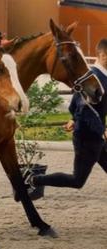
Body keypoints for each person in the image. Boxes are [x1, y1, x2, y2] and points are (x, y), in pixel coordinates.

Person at [25, 38, 107, 197]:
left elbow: (76, 103)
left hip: (96, 136)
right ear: (102, 55)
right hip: (86, 137)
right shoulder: (94, 76)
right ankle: (34, 180)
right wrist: (101, 129)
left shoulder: (97, 77)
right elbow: (84, 109)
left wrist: (74, 119)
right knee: (77, 181)